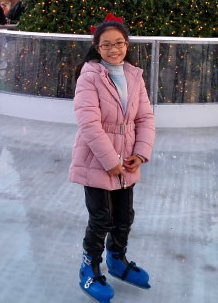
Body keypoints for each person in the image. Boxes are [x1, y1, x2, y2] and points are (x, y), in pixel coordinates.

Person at [70, 17, 155, 302]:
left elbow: (145, 117)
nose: (113, 49)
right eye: (106, 45)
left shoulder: (134, 75)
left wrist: (140, 154)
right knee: (101, 218)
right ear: (97, 47)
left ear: (127, 44)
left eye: (119, 43)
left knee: (124, 216)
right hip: (96, 159)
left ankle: (117, 260)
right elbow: (89, 123)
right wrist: (110, 161)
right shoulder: (89, 75)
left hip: (128, 157)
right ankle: (89, 268)